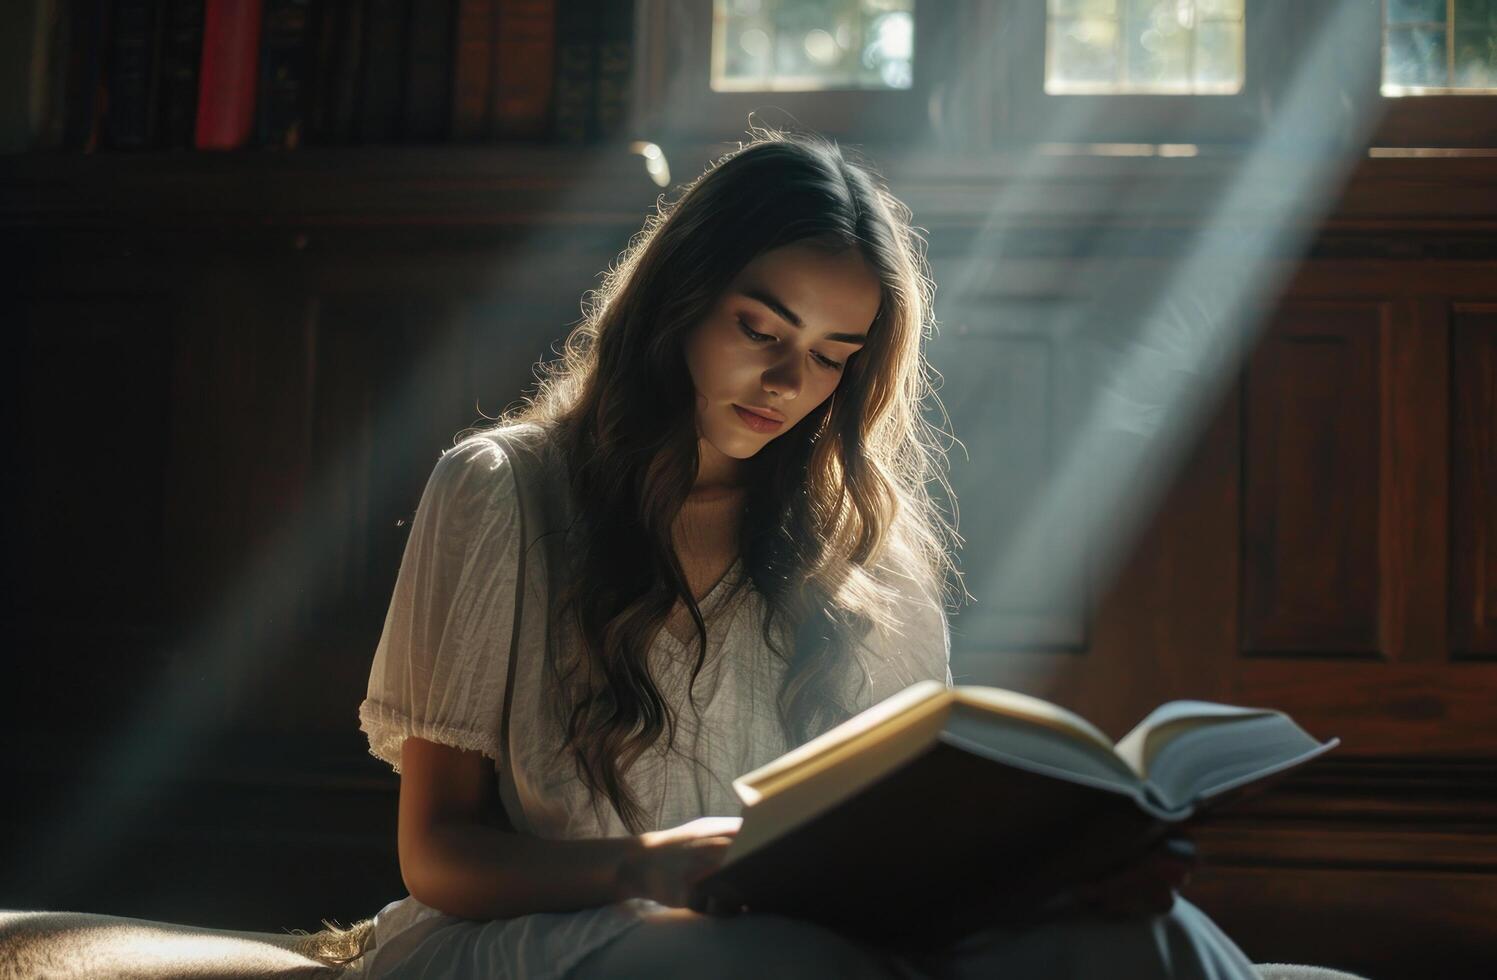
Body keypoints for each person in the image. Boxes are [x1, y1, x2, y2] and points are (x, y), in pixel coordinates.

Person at [311, 127, 1263, 980]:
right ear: (678, 298)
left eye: (832, 354)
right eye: (759, 330)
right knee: (779, 960)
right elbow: (436, 855)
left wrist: (1060, 875)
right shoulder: (503, 490)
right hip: (575, 933)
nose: (786, 381)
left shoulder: (863, 539)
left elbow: (911, 840)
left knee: (1151, 937)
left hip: (810, 925)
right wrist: (647, 867)